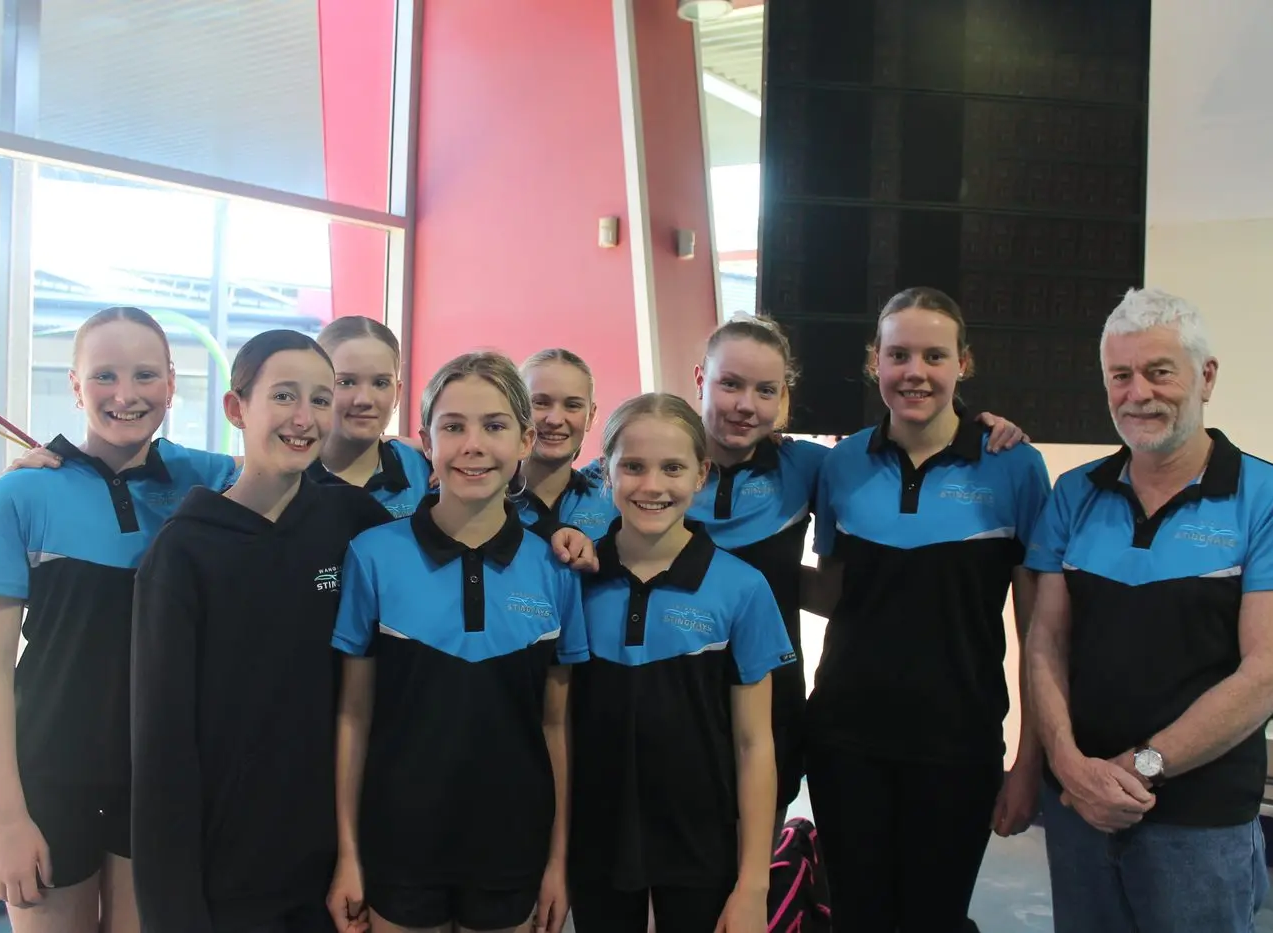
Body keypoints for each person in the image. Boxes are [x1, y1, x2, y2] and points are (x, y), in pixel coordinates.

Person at [1023, 287, 1273, 933]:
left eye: (1159, 371)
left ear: (1205, 376)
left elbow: (1267, 673)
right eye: (1120, 375)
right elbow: (1043, 640)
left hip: (1199, 823)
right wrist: (1069, 766)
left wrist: (1137, 770)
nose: (1138, 393)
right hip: (1077, 808)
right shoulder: (1073, 492)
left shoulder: (1272, 498)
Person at [689, 313, 1030, 831]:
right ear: (701, 379)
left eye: (764, 389)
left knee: (750, 887)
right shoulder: (646, 466)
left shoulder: (809, 465)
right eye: (729, 384)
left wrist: (984, 425)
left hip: (770, 706)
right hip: (666, 696)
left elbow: (826, 589)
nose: (744, 404)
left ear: (782, 396)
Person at [0, 306, 240, 932]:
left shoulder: (215, 481)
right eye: (104, 376)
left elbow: (305, 485)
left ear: (172, 382)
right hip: (52, 773)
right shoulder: (21, 495)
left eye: (145, 375)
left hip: (161, 771)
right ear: (75, 385)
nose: (125, 394)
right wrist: (5, 819)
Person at [803, 287, 1052, 932]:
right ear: (875, 363)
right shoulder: (842, 464)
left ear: (963, 364)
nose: (915, 371)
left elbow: (1038, 632)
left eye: (934, 355)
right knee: (857, 916)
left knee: (934, 920)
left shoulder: (1016, 466)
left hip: (958, 745)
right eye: (899, 354)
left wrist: (1029, 760)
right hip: (844, 739)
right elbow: (835, 595)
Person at [128, 330, 393, 933]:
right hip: (229, 873)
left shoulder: (348, 520)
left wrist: (564, 543)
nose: (304, 418)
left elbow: (449, 544)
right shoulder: (184, 553)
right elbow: (161, 749)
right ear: (236, 408)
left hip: (333, 862)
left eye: (321, 399)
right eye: (284, 396)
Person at [328, 351, 588, 933]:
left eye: (494, 426)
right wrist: (349, 854)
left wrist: (556, 860)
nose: (473, 445)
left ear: (524, 439)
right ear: (426, 441)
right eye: (453, 426)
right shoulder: (373, 555)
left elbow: (554, 727)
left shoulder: (556, 566)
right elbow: (354, 715)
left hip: (512, 847)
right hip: (398, 847)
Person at [568, 392, 793, 933]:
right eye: (634, 467)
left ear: (701, 474)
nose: (652, 486)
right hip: (595, 842)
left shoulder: (742, 588)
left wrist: (753, 884)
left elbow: (754, 743)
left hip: (701, 846)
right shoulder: (572, 579)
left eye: (672, 467)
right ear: (606, 472)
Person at [307, 316, 431, 518]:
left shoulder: (423, 472)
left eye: (380, 383)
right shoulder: (284, 477)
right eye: (346, 382)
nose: (364, 400)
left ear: (398, 393)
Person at [514, 349, 617, 540]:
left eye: (572, 405)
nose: (555, 420)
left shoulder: (614, 502)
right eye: (541, 403)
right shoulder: (484, 502)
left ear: (591, 416)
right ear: (515, 408)